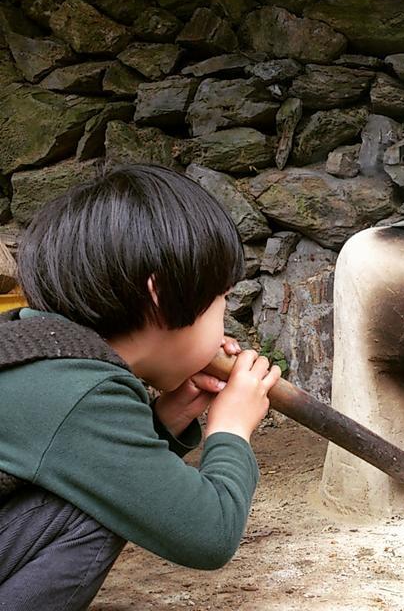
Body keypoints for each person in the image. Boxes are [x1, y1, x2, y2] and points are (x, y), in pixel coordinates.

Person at [0, 164, 281, 610]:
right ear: (163, 294)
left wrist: (167, 420)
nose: (223, 324)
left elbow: (86, 457)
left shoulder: (34, 348)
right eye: (222, 299)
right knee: (90, 508)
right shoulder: (79, 392)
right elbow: (208, 533)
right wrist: (229, 430)